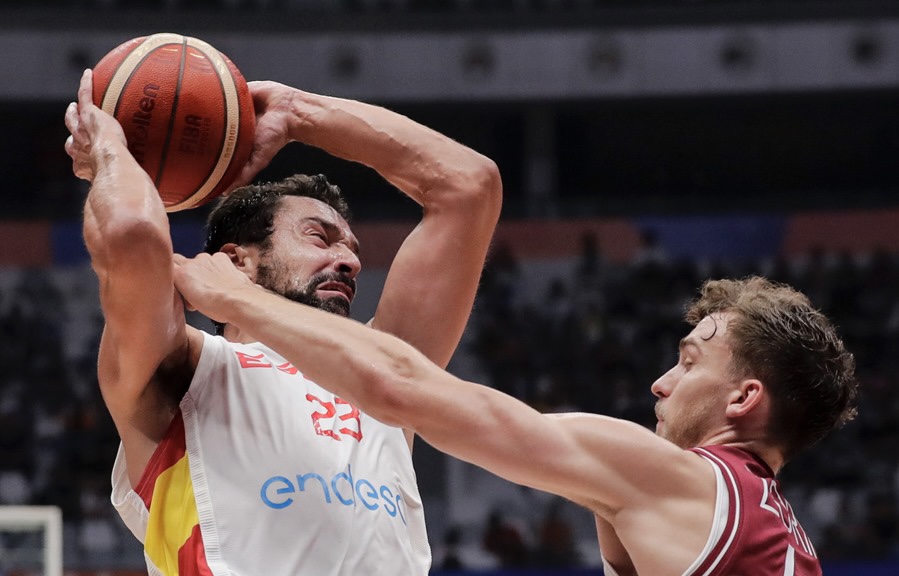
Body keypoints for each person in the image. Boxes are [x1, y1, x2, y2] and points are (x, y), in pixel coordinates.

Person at [64, 68, 501, 575]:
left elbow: (469, 186)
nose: (350, 261)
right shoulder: (186, 368)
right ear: (239, 261)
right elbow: (132, 236)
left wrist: (299, 113)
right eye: (320, 237)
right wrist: (111, 153)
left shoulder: (385, 376)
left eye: (352, 249)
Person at [171, 261, 858, 575]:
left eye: (686, 362)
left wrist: (242, 301)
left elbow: (402, 386)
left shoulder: (683, 484)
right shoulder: (779, 534)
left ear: (742, 399)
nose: (659, 381)